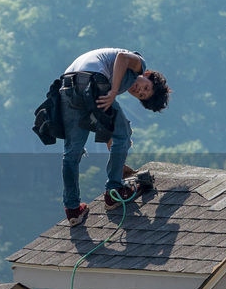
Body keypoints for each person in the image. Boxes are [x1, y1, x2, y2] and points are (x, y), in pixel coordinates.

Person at [59, 47, 169, 223]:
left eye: (142, 95)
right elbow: (122, 57)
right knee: (124, 134)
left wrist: (119, 165)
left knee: (72, 153)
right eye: (145, 87)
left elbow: (107, 128)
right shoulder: (139, 64)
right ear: (147, 74)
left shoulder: (112, 80)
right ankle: (114, 191)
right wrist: (112, 91)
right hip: (91, 79)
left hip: (67, 85)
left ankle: (73, 209)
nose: (139, 90)